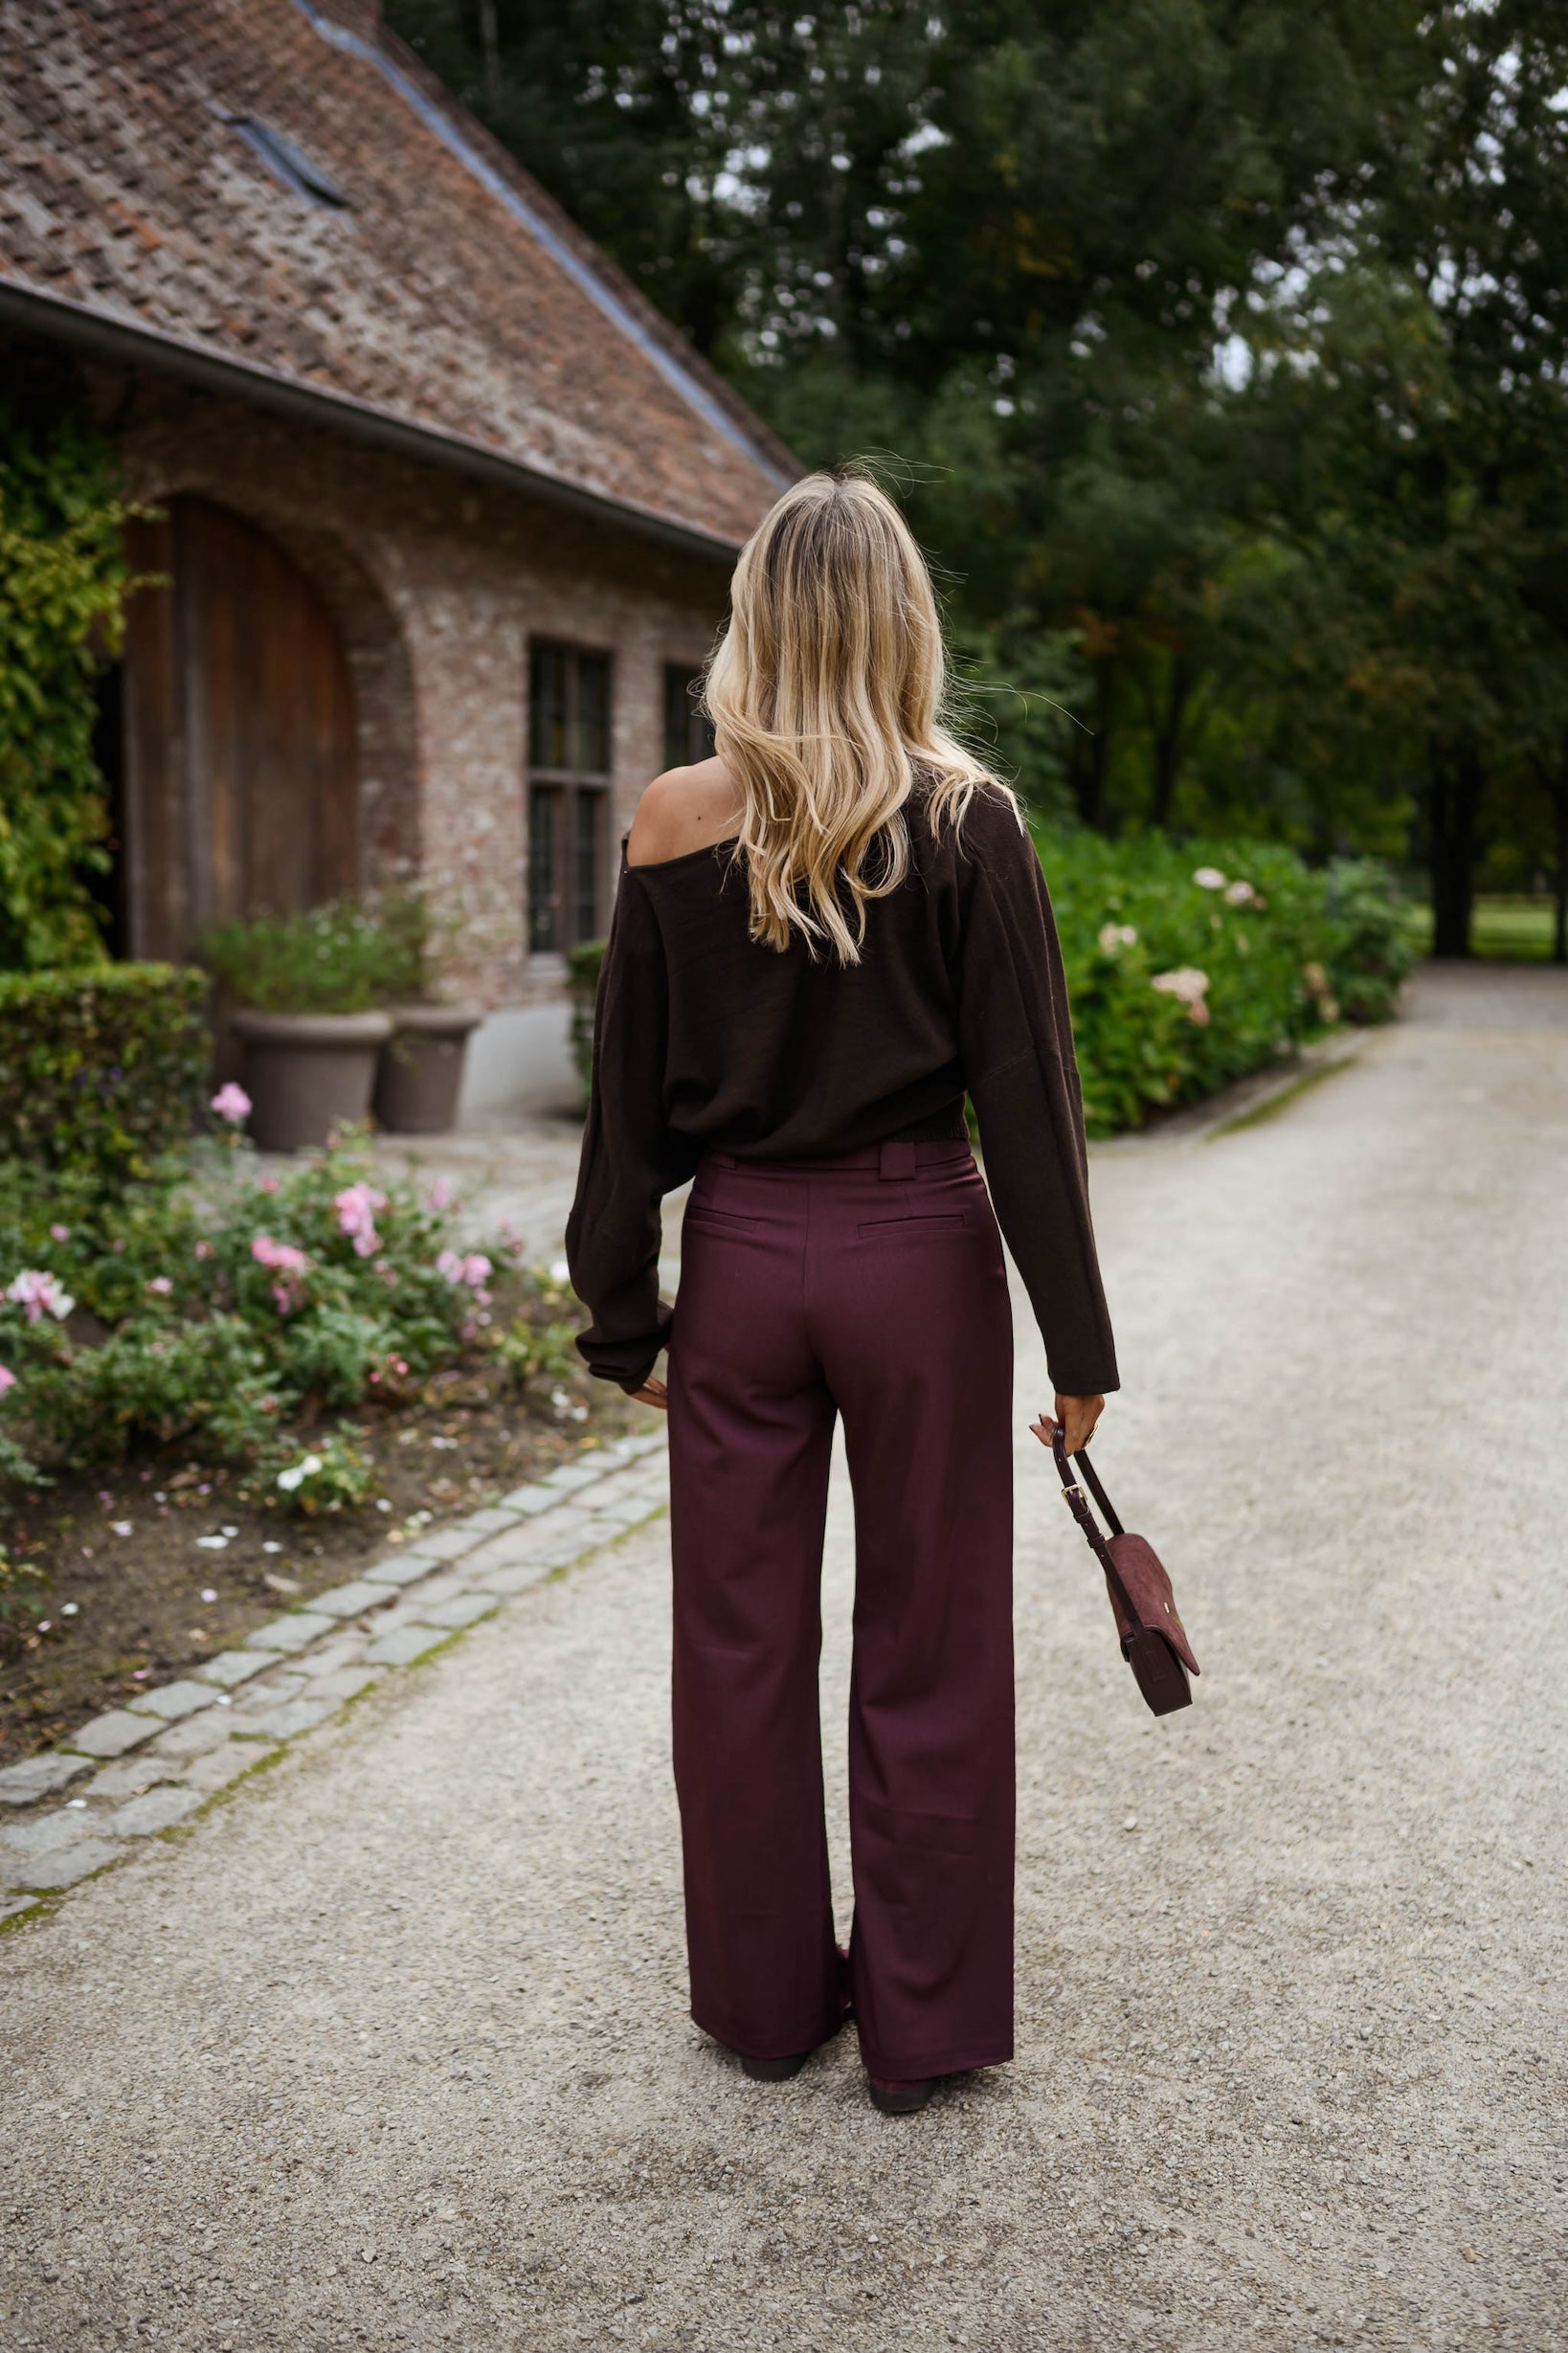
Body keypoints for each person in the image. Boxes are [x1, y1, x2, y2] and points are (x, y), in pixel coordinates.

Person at [566, 470, 1118, 2117]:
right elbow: (1026, 1099)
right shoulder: (966, 818)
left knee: (733, 1646)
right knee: (930, 1643)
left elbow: (626, 1109)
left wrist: (622, 1316)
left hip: (737, 1265)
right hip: (916, 1260)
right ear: (898, 620)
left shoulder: (668, 821)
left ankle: (761, 2006)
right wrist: (1078, 1343)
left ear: (753, 622)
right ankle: (924, 2027)